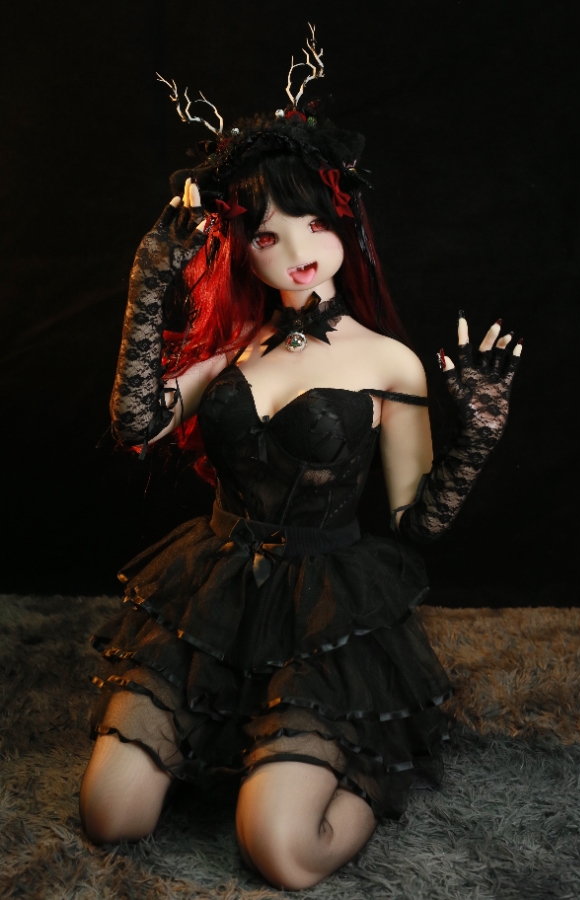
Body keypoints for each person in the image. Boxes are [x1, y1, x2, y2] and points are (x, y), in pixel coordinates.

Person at [79, 30, 521, 891]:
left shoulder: (388, 361)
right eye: (267, 235)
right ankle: (247, 744)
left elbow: (414, 523)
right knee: (109, 815)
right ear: (239, 247)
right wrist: (148, 282)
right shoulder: (233, 348)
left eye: (314, 222)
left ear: (344, 221)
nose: (297, 249)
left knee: (279, 849)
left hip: (326, 611)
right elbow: (137, 421)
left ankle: (366, 771)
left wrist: (478, 432)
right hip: (215, 594)